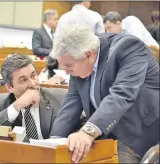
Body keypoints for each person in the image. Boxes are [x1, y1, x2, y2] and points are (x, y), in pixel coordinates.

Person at [49, 23, 159, 163]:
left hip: (141, 133)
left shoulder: (129, 48)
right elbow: (70, 105)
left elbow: (121, 94)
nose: (66, 72)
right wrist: (53, 143)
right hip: (107, 135)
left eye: (69, 66)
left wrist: (87, 132)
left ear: (89, 55)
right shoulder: (79, 58)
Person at [0, 54, 68, 140]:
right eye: (24, 80)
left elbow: (81, 125)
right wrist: (17, 105)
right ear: (9, 87)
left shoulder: (59, 97)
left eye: (33, 75)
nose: (32, 83)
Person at [32, 9, 59, 78]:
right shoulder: (38, 32)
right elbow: (36, 49)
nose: (57, 21)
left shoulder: (56, 32)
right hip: (44, 66)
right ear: (48, 20)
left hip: (56, 66)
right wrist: (53, 52)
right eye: (55, 19)